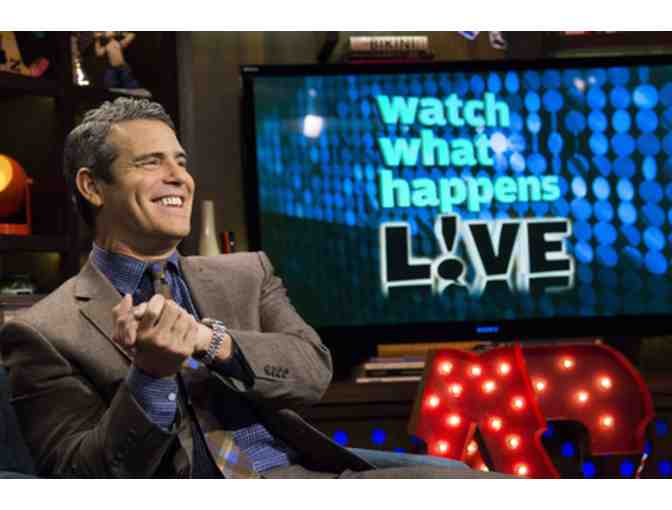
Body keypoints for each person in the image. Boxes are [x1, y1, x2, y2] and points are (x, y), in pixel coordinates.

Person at [0, 97, 506, 479]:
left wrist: (211, 342)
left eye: (181, 162)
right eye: (151, 162)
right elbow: (81, 476)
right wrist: (149, 377)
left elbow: (312, 371)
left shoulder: (247, 273)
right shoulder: (45, 330)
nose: (179, 178)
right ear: (92, 187)